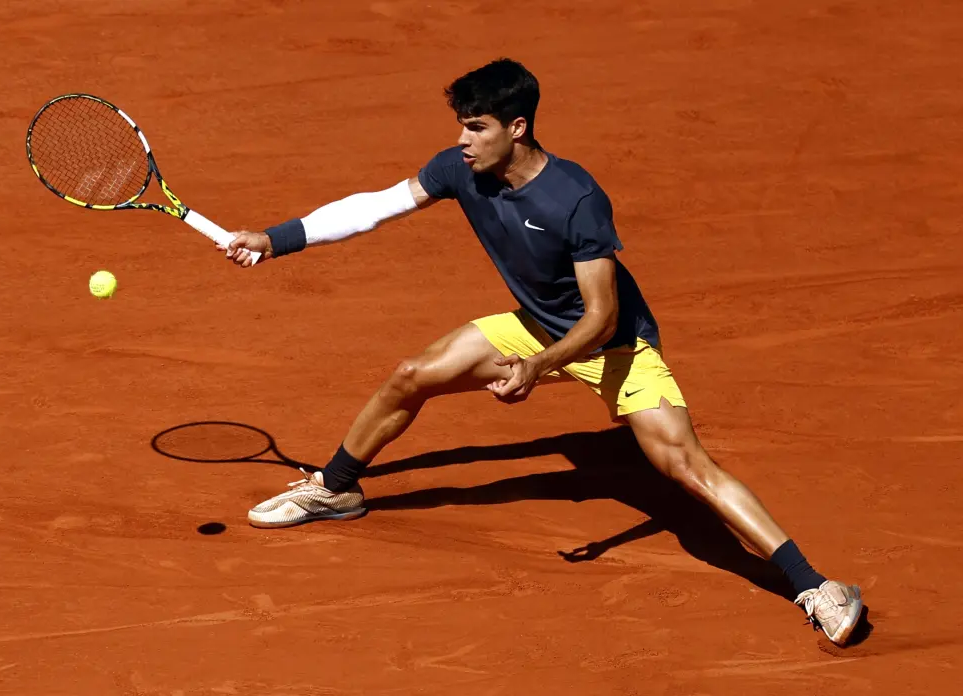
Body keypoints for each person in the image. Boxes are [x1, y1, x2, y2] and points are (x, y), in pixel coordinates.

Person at [219, 58, 864, 646]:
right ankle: (335, 488)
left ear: (517, 127)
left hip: (613, 348)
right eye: (461, 128)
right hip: (536, 327)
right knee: (412, 375)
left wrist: (538, 365)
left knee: (689, 470)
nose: (463, 141)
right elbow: (376, 208)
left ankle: (815, 584)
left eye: (476, 128)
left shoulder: (575, 198)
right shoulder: (458, 170)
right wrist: (277, 240)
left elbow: (603, 313)